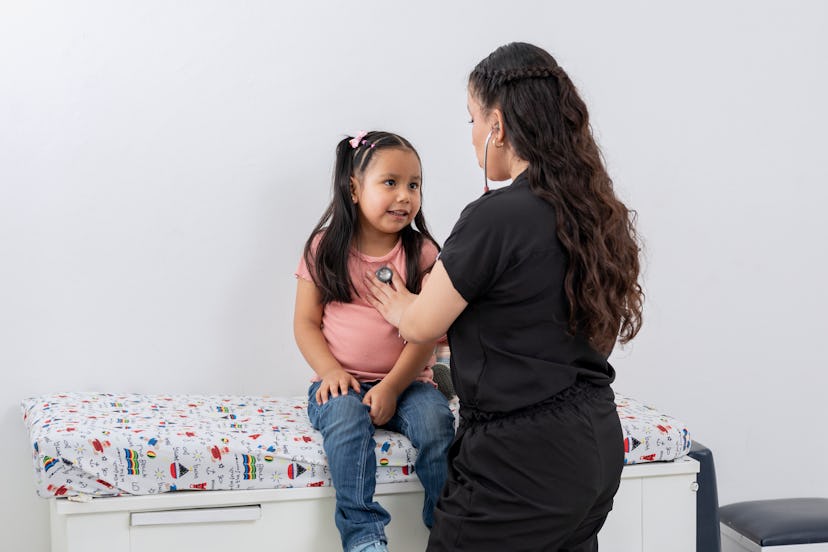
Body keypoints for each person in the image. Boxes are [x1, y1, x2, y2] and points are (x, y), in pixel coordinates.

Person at [365, 43, 644, 551]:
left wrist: (396, 300)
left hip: (522, 461)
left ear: (497, 123)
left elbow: (423, 324)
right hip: (595, 447)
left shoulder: (496, 216)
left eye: (471, 118)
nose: (471, 135)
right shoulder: (589, 211)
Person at [293, 130, 456, 552]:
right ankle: (364, 536)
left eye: (414, 185)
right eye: (391, 183)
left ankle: (447, 527)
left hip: (409, 381)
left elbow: (426, 333)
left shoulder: (421, 254)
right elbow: (306, 323)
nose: (404, 195)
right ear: (353, 188)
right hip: (342, 381)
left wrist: (392, 387)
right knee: (346, 424)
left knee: (437, 424)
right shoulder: (325, 248)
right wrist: (330, 371)